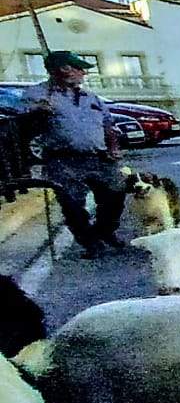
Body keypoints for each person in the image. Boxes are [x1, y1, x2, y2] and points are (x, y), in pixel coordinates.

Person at [21, 52, 125, 258]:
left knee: (116, 193)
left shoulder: (90, 97)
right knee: (72, 204)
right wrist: (38, 111)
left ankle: (105, 230)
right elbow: (24, 123)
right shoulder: (38, 94)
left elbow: (108, 124)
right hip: (63, 159)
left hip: (98, 156)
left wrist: (113, 147)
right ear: (64, 69)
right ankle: (90, 243)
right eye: (79, 68)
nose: (83, 73)